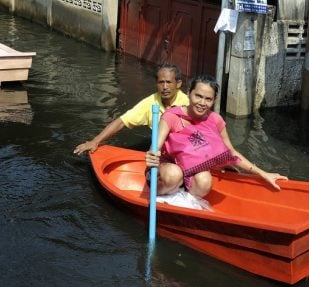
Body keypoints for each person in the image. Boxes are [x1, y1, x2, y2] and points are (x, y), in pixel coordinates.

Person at [145, 75, 287, 198]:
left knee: (205, 181)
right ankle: (159, 195)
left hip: (192, 169)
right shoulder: (171, 116)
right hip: (164, 172)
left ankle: (184, 199)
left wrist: (263, 174)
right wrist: (152, 155)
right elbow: (154, 148)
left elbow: (231, 152)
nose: (202, 103)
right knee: (174, 174)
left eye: (208, 99)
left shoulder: (215, 120)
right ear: (189, 93)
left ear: (214, 100)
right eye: (198, 96)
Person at [73, 64, 190, 155]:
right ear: (156, 83)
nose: (165, 87)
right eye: (161, 82)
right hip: (161, 152)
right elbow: (122, 121)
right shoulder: (150, 102)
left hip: (185, 149)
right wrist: (95, 141)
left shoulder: (188, 103)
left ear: (178, 84)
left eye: (169, 82)